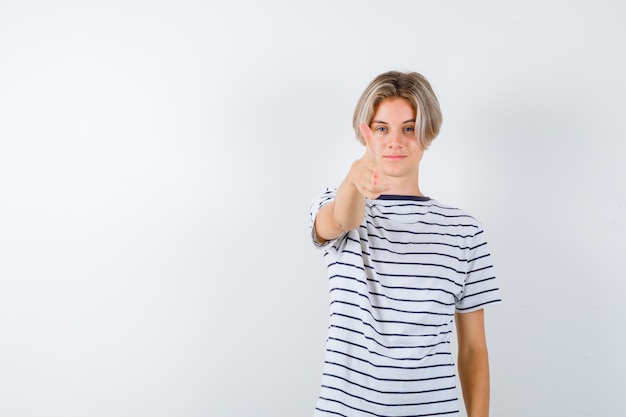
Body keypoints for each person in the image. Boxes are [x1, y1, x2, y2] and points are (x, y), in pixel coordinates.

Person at [309, 70, 502, 417]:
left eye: (409, 128)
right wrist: (355, 177)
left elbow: (474, 348)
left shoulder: (465, 231)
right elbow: (341, 220)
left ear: (428, 133)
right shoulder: (335, 202)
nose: (394, 141)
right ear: (364, 133)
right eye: (381, 128)